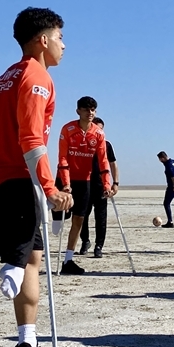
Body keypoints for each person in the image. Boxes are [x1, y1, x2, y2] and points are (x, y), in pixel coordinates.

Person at [0, 7, 72, 347]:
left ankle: (26, 342)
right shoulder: (37, 77)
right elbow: (32, 140)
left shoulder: (3, 77)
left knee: (32, 259)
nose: (64, 46)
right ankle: (10, 269)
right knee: (22, 261)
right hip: (20, 183)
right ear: (43, 40)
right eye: (61, 38)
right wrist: (49, 188)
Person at [56, 96, 113, 275]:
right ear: (78, 111)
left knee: (79, 220)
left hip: (85, 181)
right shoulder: (68, 129)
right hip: (65, 178)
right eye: (87, 109)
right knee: (58, 222)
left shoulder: (98, 133)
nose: (90, 113)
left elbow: (103, 161)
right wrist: (66, 183)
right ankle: (56, 220)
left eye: (93, 110)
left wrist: (107, 184)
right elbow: (63, 157)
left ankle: (68, 260)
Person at [80, 117, 120, 259]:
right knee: (82, 216)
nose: (99, 131)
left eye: (101, 129)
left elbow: (113, 164)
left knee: (101, 217)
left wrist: (115, 183)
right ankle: (85, 241)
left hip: (101, 185)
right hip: (84, 184)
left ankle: (99, 246)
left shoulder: (107, 145)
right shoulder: (83, 142)